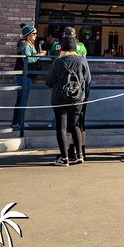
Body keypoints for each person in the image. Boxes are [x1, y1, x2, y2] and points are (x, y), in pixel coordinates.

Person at [45, 36, 92, 166]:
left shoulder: (58, 62)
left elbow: (49, 82)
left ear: (62, 48)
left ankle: (64, 158)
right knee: (75, 125)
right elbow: (87, 80)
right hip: (77, 98)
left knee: (61, 127)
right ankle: (79, 155)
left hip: (60, 99)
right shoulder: (81, 60)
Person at [11, 25, 42, 129]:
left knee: (20, 100)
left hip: (23, 75)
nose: (35, 35)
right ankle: (20, 123)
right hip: (24, 76)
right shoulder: (25, 44)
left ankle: (16, 122)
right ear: (28, 35)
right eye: (34, 34)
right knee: (22, 101)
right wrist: (39, 55)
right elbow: (28, 59)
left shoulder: (26, 44)